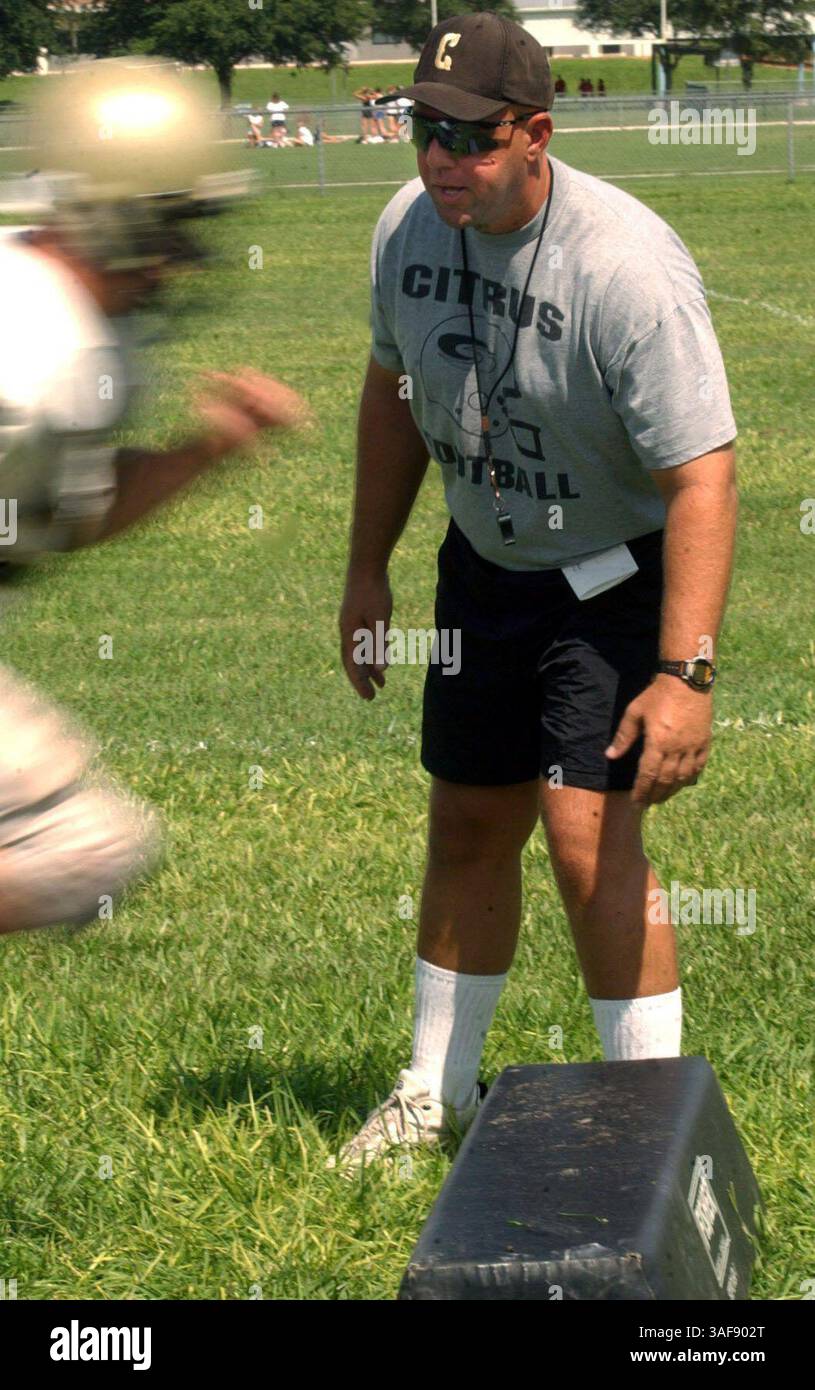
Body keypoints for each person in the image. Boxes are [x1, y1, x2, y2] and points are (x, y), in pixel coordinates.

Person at [333, 11, 737, 1171]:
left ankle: (654, 1136)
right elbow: (390, 389)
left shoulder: (623, 265)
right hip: (484, 565)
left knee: (586, 840)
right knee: (465, 819)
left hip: (613, 577)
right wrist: (368, 569)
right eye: (423, 129)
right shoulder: (405, 226)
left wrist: (683, 672)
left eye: (470, 137)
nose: (441, 159)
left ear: (536, 135)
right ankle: (431, 1096)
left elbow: (701, 474)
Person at [0, 60, 306, 937]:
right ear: (112, 212)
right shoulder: (37, 360)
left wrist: (208, 447)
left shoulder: (59, 316)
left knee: (86, 840)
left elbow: (75, 513)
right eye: (175, 223)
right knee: (82, 846)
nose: (185, 254)